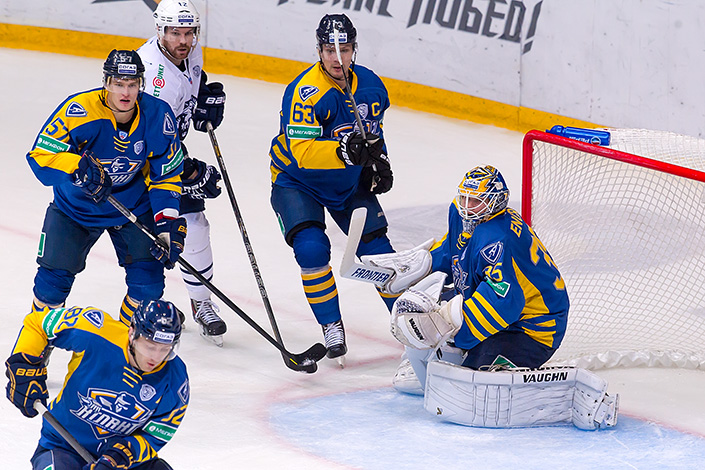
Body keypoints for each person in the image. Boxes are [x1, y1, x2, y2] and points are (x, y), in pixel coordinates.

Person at [363, 166, 617, 429]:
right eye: (464, 198)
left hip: (533, 327)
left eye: (476, 201)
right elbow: (455, 249)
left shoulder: (498, 238)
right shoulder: (461, 213)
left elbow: (504, 301)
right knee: (426, 313)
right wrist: (420, 266)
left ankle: (560, 393)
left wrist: (450, 328)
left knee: (472, 387)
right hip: (500, 303)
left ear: (497, 201)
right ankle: (435, 362)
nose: (467, 206)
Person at [26, 49, 186, 335]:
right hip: (75, 209)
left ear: (141, 84)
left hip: (132, 207)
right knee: (50, 288)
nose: (125, 92)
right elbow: (40, 156)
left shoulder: (157, 114)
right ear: (106, 82)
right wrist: (76, 167)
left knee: (149, 286)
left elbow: (167, 175)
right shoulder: (78, 110)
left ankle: (124, 345)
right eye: (118, 83)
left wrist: (166, 223)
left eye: (132, 84)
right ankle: (36, 348)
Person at [267, 13, 397, 364]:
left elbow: (373, 133)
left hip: (347, 181)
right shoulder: (305, 93)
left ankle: (409, 323)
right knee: (311, 249)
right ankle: (331, 326)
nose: (338, 58)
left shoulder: (371, 86)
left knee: (379, 251)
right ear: (319, 50)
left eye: (345, 49)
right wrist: (344, 152)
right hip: (298, 182)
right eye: (329, 50)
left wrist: (378, 161)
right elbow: (302, 152)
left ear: (354, 49)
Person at [138, 0, 228, 346]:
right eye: (175, 33)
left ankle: (202, 302)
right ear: (159, 31)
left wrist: (204, 100)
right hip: (140, 161)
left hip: (169, 151)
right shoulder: (152, 77)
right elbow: (146, 144)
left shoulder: (192, 52)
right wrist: (188, 172)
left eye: (189, 33)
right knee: (151, 238)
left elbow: (192, 85)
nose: (183, 41)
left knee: (195, 226)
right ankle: (142, 310)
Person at [5, 300, 188, 469]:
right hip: (63, 447)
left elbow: (156, 434)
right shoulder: (97, 332)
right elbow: (39, 323)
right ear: (132, 333)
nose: (156, 357)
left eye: (165, 349)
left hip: (120, 463)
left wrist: (119, 456)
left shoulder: (176, 380)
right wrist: (24, 367)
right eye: (149, 346)